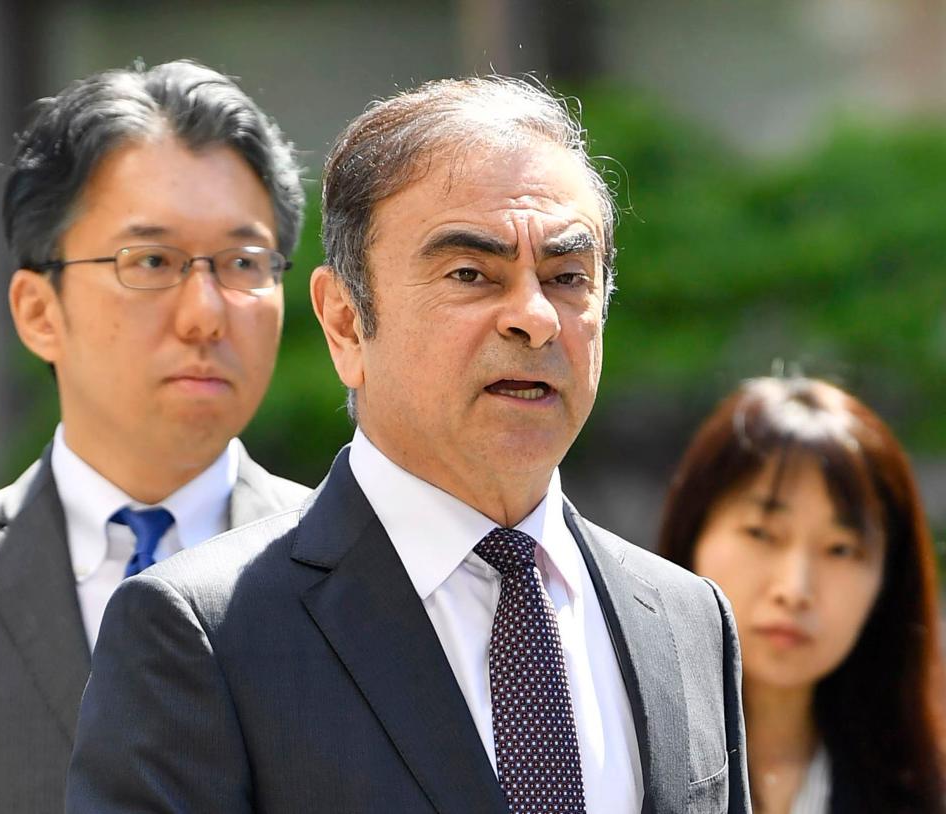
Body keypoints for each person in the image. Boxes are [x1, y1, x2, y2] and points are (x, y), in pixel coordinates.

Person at [67, 76, 750, 813]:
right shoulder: (202, 634)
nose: (534, 318)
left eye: (567, 277)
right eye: (470, 274)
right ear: (345, 323)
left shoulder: (688, 622)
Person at [0, 60, 311, 813]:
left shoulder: (369, 577)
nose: (205, 313)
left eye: (242, 263)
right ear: (39, 311)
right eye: (152, 262)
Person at [658, 376, 945, 813]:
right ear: (692, 533)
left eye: (840, 549)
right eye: (762, 533)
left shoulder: (922, 786)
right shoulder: (611, 748)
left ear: (888, 579)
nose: (795, 590)